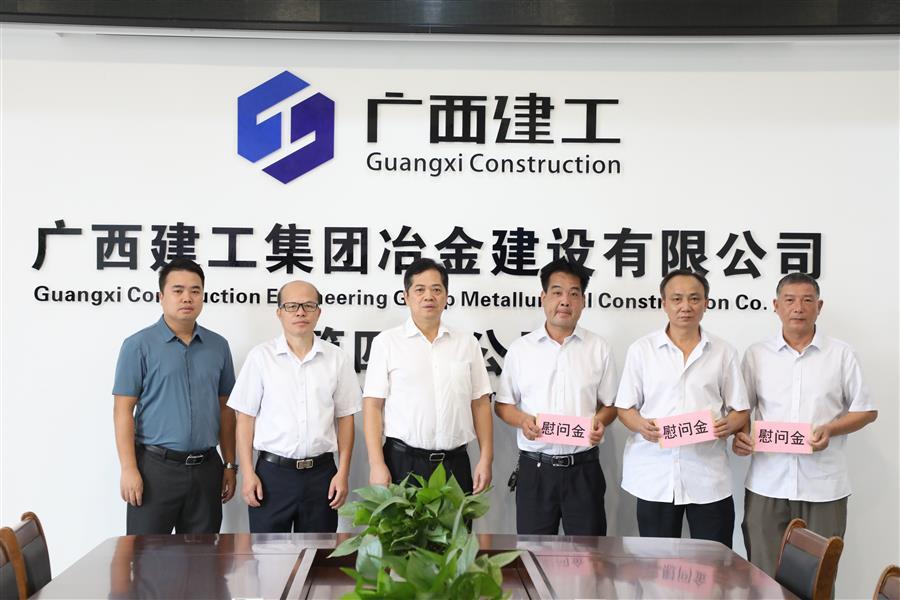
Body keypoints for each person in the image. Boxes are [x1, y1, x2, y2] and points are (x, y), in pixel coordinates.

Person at [734, 273, 877, 576]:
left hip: (823, 485)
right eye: (789, 300)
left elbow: (866, 411)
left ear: (819, 306)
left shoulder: (841, 354)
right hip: (767, 483)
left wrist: (831, 429)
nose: (798, 307)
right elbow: (742, 409)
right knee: (762, 575)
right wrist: (742, 435)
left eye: (807, 300)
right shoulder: (757, 354)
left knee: (817, 578)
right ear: (776, 306)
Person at [615, 269, 749, 547]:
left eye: (694, 298)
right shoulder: (642, 350)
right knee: (657, 561)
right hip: (655, 475)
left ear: (706, 303)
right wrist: (641, 426)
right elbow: (625, 409)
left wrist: (730, 424)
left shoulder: (723, 352)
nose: (685, 306)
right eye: (677, 299)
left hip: (708, 476)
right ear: (664, 303)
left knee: (715, 561)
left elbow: (740, 410)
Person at [112, 258, 237, 534]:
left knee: (203, 556)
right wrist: (129, 469)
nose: (187, 298)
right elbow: (122, 410)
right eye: (178, 290)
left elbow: (226, 409)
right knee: (146, 555)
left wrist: (230, 464)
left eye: (195, 290)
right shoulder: (138, 345)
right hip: (155, 469)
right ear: (161, 296)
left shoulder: (218, 346)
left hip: (207, 468)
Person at [495, 258, 618, 535]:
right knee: (534, 552)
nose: (565, 301)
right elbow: (502, 405)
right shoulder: (521, 349)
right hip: (536, 469)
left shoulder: (598, 348)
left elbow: (611, 406)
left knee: (590, 554)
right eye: (557, 292)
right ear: (543, 297)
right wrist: (522, 420)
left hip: (583, 469)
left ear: (583, 301)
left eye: (574, 293)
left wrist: (599, 421)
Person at [227, 280, 361, 533]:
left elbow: (345, 418)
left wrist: (343, 473)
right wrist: (248, 473)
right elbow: (245, 419)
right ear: (279, 312)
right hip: (271, 476)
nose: (300, 312)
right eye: (292, 306)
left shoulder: (337, 359)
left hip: (322, 475)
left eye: (308, 305)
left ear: (318, 312)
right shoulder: (261, 357)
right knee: (267, 554)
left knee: (318, 552)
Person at [363, 258, 493, 494]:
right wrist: (376, 463)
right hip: (402, 464)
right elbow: (372, 406)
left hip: (455, 465)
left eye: (436, 290)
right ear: (406, 296)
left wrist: (486, 458)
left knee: (459, 521)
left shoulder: (467, 343)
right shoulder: (387, 343)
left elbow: (481, 404)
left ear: (446, 296)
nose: (428, 296)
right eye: (420, 290)